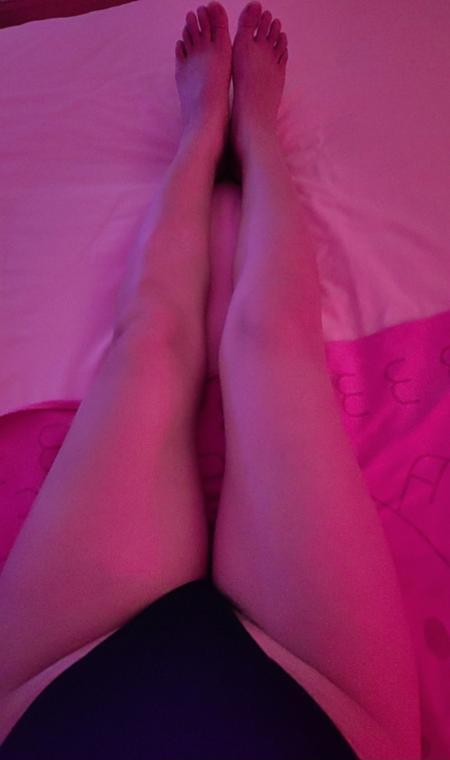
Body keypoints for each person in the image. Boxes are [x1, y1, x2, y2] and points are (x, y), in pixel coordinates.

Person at [0, 2, 421, 758]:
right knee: (267, 343)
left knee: (152, 342)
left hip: (56, 696)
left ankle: (205, 137)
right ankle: (248, 134)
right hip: (324, 711)